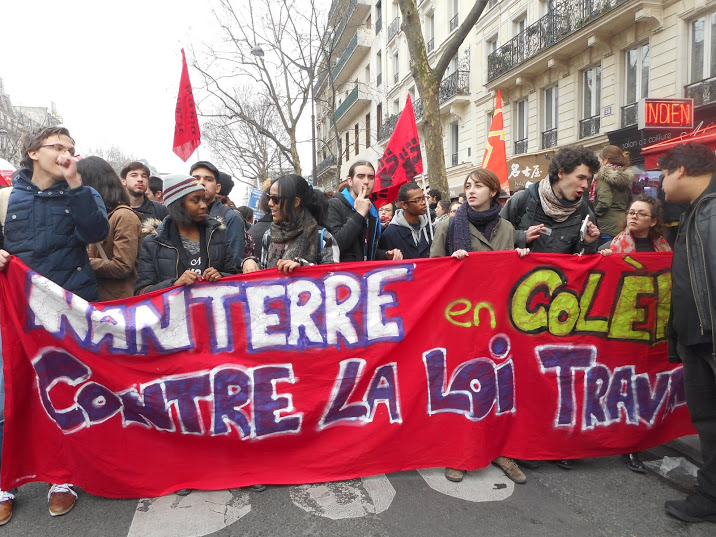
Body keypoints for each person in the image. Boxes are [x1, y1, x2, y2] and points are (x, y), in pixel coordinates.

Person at [0, 126, 110, 523]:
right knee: (11, 394)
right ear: (33, 152)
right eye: (57, 147)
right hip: (17, 312)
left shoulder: (82, 191)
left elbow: (97, 233)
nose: (66, 154)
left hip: (69, 311)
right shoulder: (6, 198)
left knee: (64, 393)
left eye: (71, 149)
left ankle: (62, 479)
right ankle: (5, 481)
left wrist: (76, 183)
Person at [430, 168, 528, 485]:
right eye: (468, 186)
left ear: (493, 191)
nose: (471, 190)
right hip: (458, 319)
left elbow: (511, 278)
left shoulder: (508, 229)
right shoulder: (448, 225)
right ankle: (458, 453)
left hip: (495, 320)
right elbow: (432, 273)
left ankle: (499, 450)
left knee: (496, 384)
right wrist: (451, 265)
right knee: (461, 386)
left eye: (479, 186)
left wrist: (521, 257)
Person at [657, 142, 716, 524]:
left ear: (680, 170)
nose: (660, 184)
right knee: (709, 424)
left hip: (709, 340)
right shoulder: (699, 212)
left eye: (662, 174)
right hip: (697, 339)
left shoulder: (711, 213)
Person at [600, 194, 671, 473]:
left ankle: (632, 447)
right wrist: (602, 259)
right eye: (631, 212)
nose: (633, 217)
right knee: (610, 384)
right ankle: (591, 440)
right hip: (618, 327)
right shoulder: (613, 246)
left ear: (653, 221)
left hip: (652, 329)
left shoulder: (664, 249)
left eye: (641, 214)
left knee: (641, 387)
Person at [136, 174, 238, 294]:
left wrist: (220, 276)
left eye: (204, 199)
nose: (203, 206)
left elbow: (235, 277)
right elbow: (141, 292)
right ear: (177, 204)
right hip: (174, 312)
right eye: (195, 200)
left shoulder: (217, 234)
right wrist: (174, 284)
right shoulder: (152, 243)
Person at [501, 145, 601, 258]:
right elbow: (496, 238)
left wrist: (588, 243)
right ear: (561, 173)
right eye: (580, 178)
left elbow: (583, 264)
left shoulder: (584, 212)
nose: (585, 185)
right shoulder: (523, 200)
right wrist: (522, 237)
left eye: (588, 179)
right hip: (522, 275)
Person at [78, 156, 143, 301]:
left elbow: (122, 266)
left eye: (78, 182)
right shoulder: (97, 217)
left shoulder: (124, 216)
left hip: (116, 304)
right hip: (94, 299)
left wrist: (81, 262)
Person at [245, 174, 338, 273]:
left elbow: (334, 280)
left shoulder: (324, 238)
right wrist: (249, 261)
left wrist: (303, 269)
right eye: (269, 197)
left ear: (295, 202)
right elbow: (264, 279)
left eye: (275, 199)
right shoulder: (269, 236)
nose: (270, 203)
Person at [326, 160, 402, 262]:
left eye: (370, 177)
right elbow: (336, 245)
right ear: (350, 181)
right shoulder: (334, 204)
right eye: (360, 176)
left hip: (365, 274)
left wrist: (385, 255)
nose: (366, 181)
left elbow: (368, 249)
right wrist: (359, 215)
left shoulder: (372, 209)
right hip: (344, 274)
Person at [189, 161, 254, 273]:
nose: (201, 183)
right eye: (196, 178)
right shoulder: (181, 217)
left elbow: (234, 266)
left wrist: (218, 276)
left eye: (208, 179)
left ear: (218, 188)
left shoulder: (230, 217)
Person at [590, 145, 633, 245]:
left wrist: (594, 214)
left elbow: (604, 202)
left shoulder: (603, 178)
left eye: (602, 159)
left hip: (606, 227)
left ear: (606, 160)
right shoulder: (624, 179)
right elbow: (629, 201)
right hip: (622, 225)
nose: (600, 162)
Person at [380, 182, 432, 259]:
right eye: (417, 200)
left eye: (424, 198)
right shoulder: (390, 234)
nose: (423, 203)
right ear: (404, 204)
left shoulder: (430, 228)